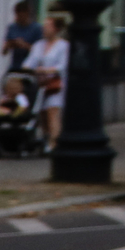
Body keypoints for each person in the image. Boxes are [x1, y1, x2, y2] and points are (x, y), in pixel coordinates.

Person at [24, 14, 71, 149]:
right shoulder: (38, 45)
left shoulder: (63, 46)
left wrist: (48, 70)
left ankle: (55, 142)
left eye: (48, 26)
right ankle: (46, 138)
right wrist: (27, 69)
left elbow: (63, 65)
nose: (44, 29)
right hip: (40, 86)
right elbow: (29, 62)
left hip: (55, 85)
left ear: (56, 29)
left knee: (52, 112)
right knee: (42, 114)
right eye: (44, 26)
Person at [3, 0, 40, 73]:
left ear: (27, 14)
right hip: (15, 66)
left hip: (30, 67)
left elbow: (40, 51)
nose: (18, 18)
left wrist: (24, 45)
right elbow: (4, 52)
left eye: (20, 15)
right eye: (16, 15)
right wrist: (10, 44)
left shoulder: (36, 29)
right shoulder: (12, 28)